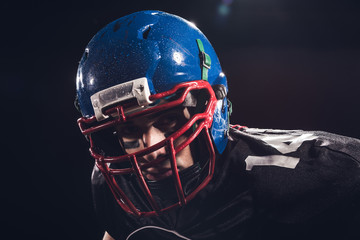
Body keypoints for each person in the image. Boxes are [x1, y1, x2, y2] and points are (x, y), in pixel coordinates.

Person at [75, 10, 360, 240]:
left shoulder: (313, 175)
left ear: (211, 106)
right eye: (129, 130)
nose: (150, 149)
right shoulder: (114, 182)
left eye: (168, 120)